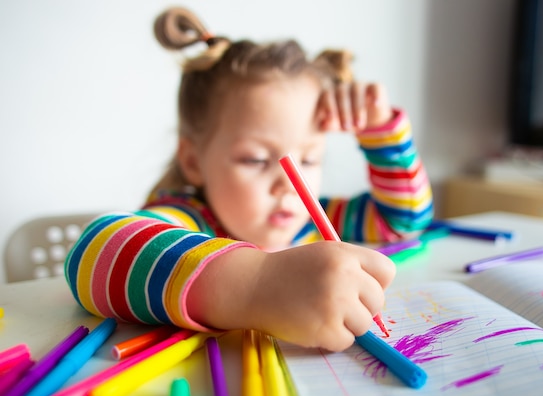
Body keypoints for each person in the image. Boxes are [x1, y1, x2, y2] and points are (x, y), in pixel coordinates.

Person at [65, 7, 433, 352]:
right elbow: (92, 253)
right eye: (256, 159)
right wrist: (258, 283)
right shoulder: (192, 218)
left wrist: (381, 131)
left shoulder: (314, 219)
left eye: (309, 158)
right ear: (193, 161)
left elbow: (401, 221)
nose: (291, 184)